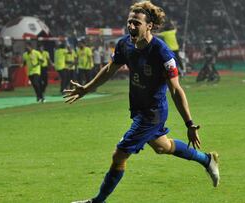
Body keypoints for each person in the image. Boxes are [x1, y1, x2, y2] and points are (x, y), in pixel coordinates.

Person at [64, 1, 220, 203]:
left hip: (152, 113)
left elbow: (175, 89)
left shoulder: (162, 53)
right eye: (129, 22)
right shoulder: (124, 45)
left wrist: (189, 123)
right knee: (162, 146)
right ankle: (207, 160)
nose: (131, 26)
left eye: (136, 23)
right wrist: (86, 88)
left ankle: (97, 201)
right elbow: (110, 69)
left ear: (150, 25)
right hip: (138, 108)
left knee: (119, 155)